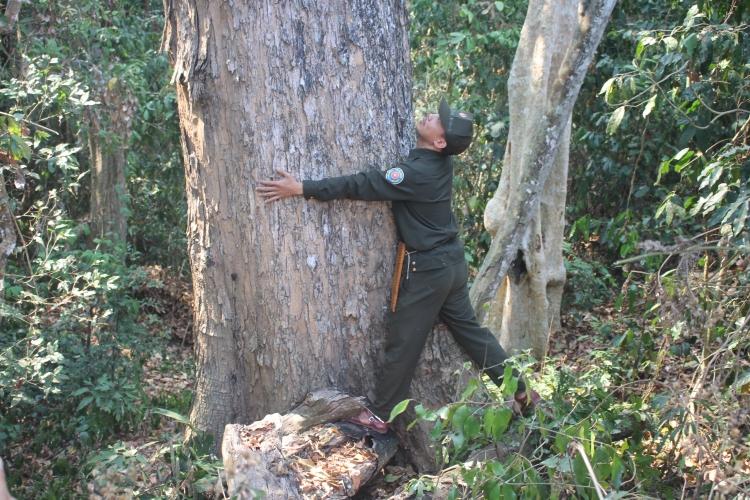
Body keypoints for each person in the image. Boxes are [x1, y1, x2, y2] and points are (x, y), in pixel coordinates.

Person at [256, 98, 541, 434]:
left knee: (404, 342)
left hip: (429, 271)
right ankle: (522, 391)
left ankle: (381, 415)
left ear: (439, 142)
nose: (434, 115)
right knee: (472, 332)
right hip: (451, 263)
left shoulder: (415, 172)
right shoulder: (437, 163)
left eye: (441, 121)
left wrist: (301, 188)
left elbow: (361, 184)